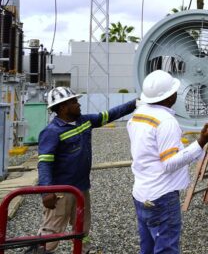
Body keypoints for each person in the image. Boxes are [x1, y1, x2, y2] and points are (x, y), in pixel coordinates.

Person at [37, 87, 137, 253]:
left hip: (82, 188)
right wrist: (46, 191)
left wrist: (134, 103)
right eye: (74, 102)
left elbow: (109, 115)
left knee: (82, 226)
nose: (78, 104)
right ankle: (42, 250)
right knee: (52, 231)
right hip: (61, 192)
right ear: (62, 107)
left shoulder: (84, 121)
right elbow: (44, 163)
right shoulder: (52, 132)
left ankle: (83, 250)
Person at [127, 70, 208, 254]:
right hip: (161, 197)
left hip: (141, 194)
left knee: (148, 248)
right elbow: (168, 163)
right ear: (170, 97)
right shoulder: (166, 121)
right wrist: (201, 142)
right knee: (166, 249)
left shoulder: (137, 115)